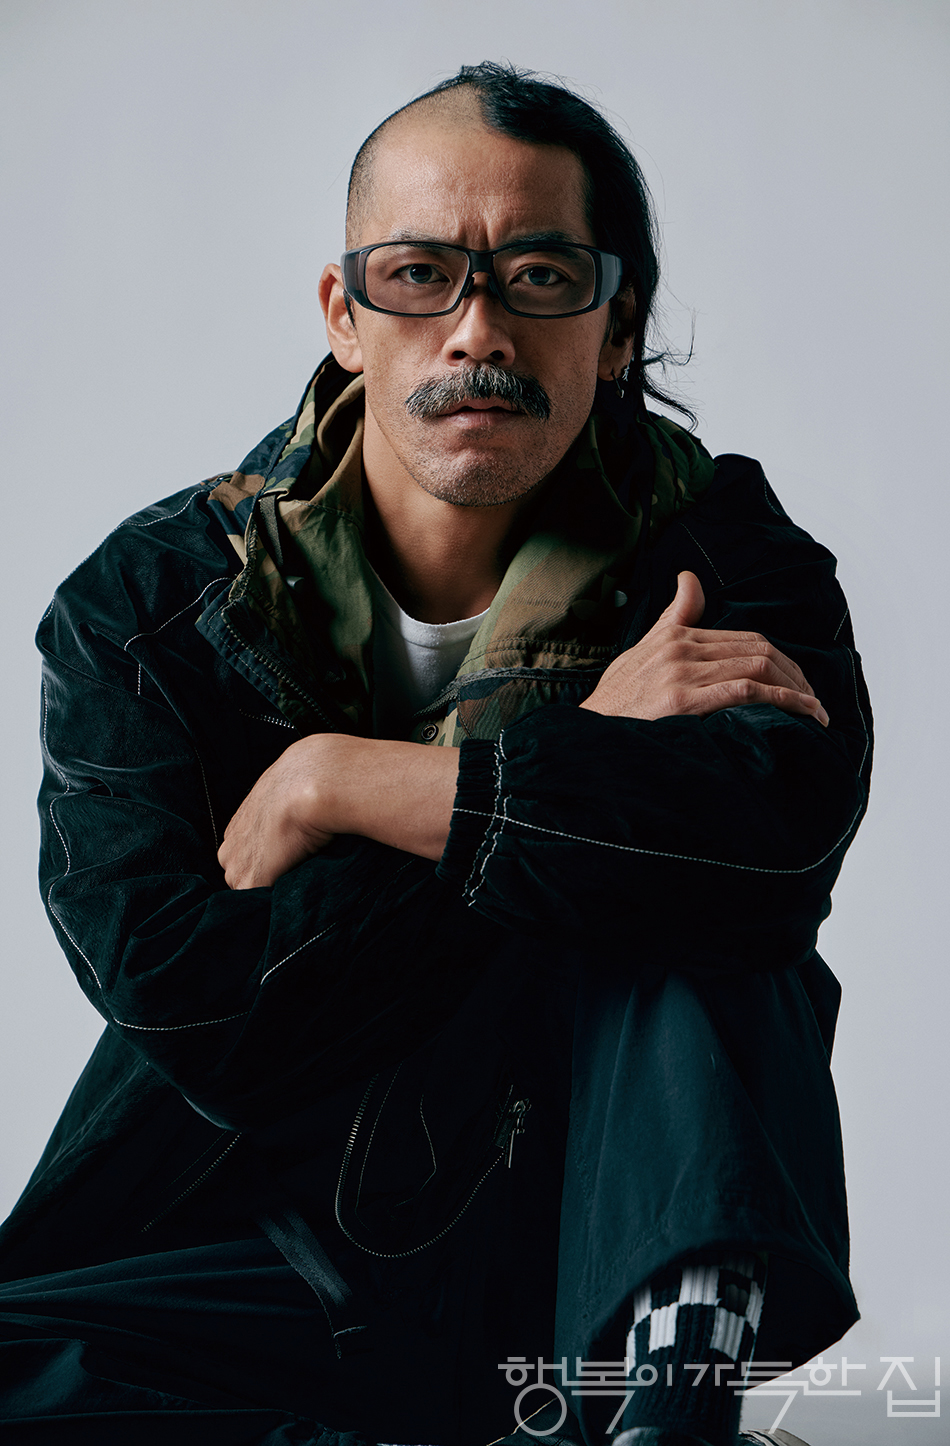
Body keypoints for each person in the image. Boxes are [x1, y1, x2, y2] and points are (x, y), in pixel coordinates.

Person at [0, 61, 871, 1446]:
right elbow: (196, 1007)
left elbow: (771, 847)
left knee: (688, 889)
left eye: (539, 276)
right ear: (345, 317)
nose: (477, 330)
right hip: (248, 1242)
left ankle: (667, 1388)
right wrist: (581, 757)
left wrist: (344, 783)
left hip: (574, 1232)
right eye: (418, 276)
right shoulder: (150, 610)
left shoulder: (725, 561)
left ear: (617, 324)